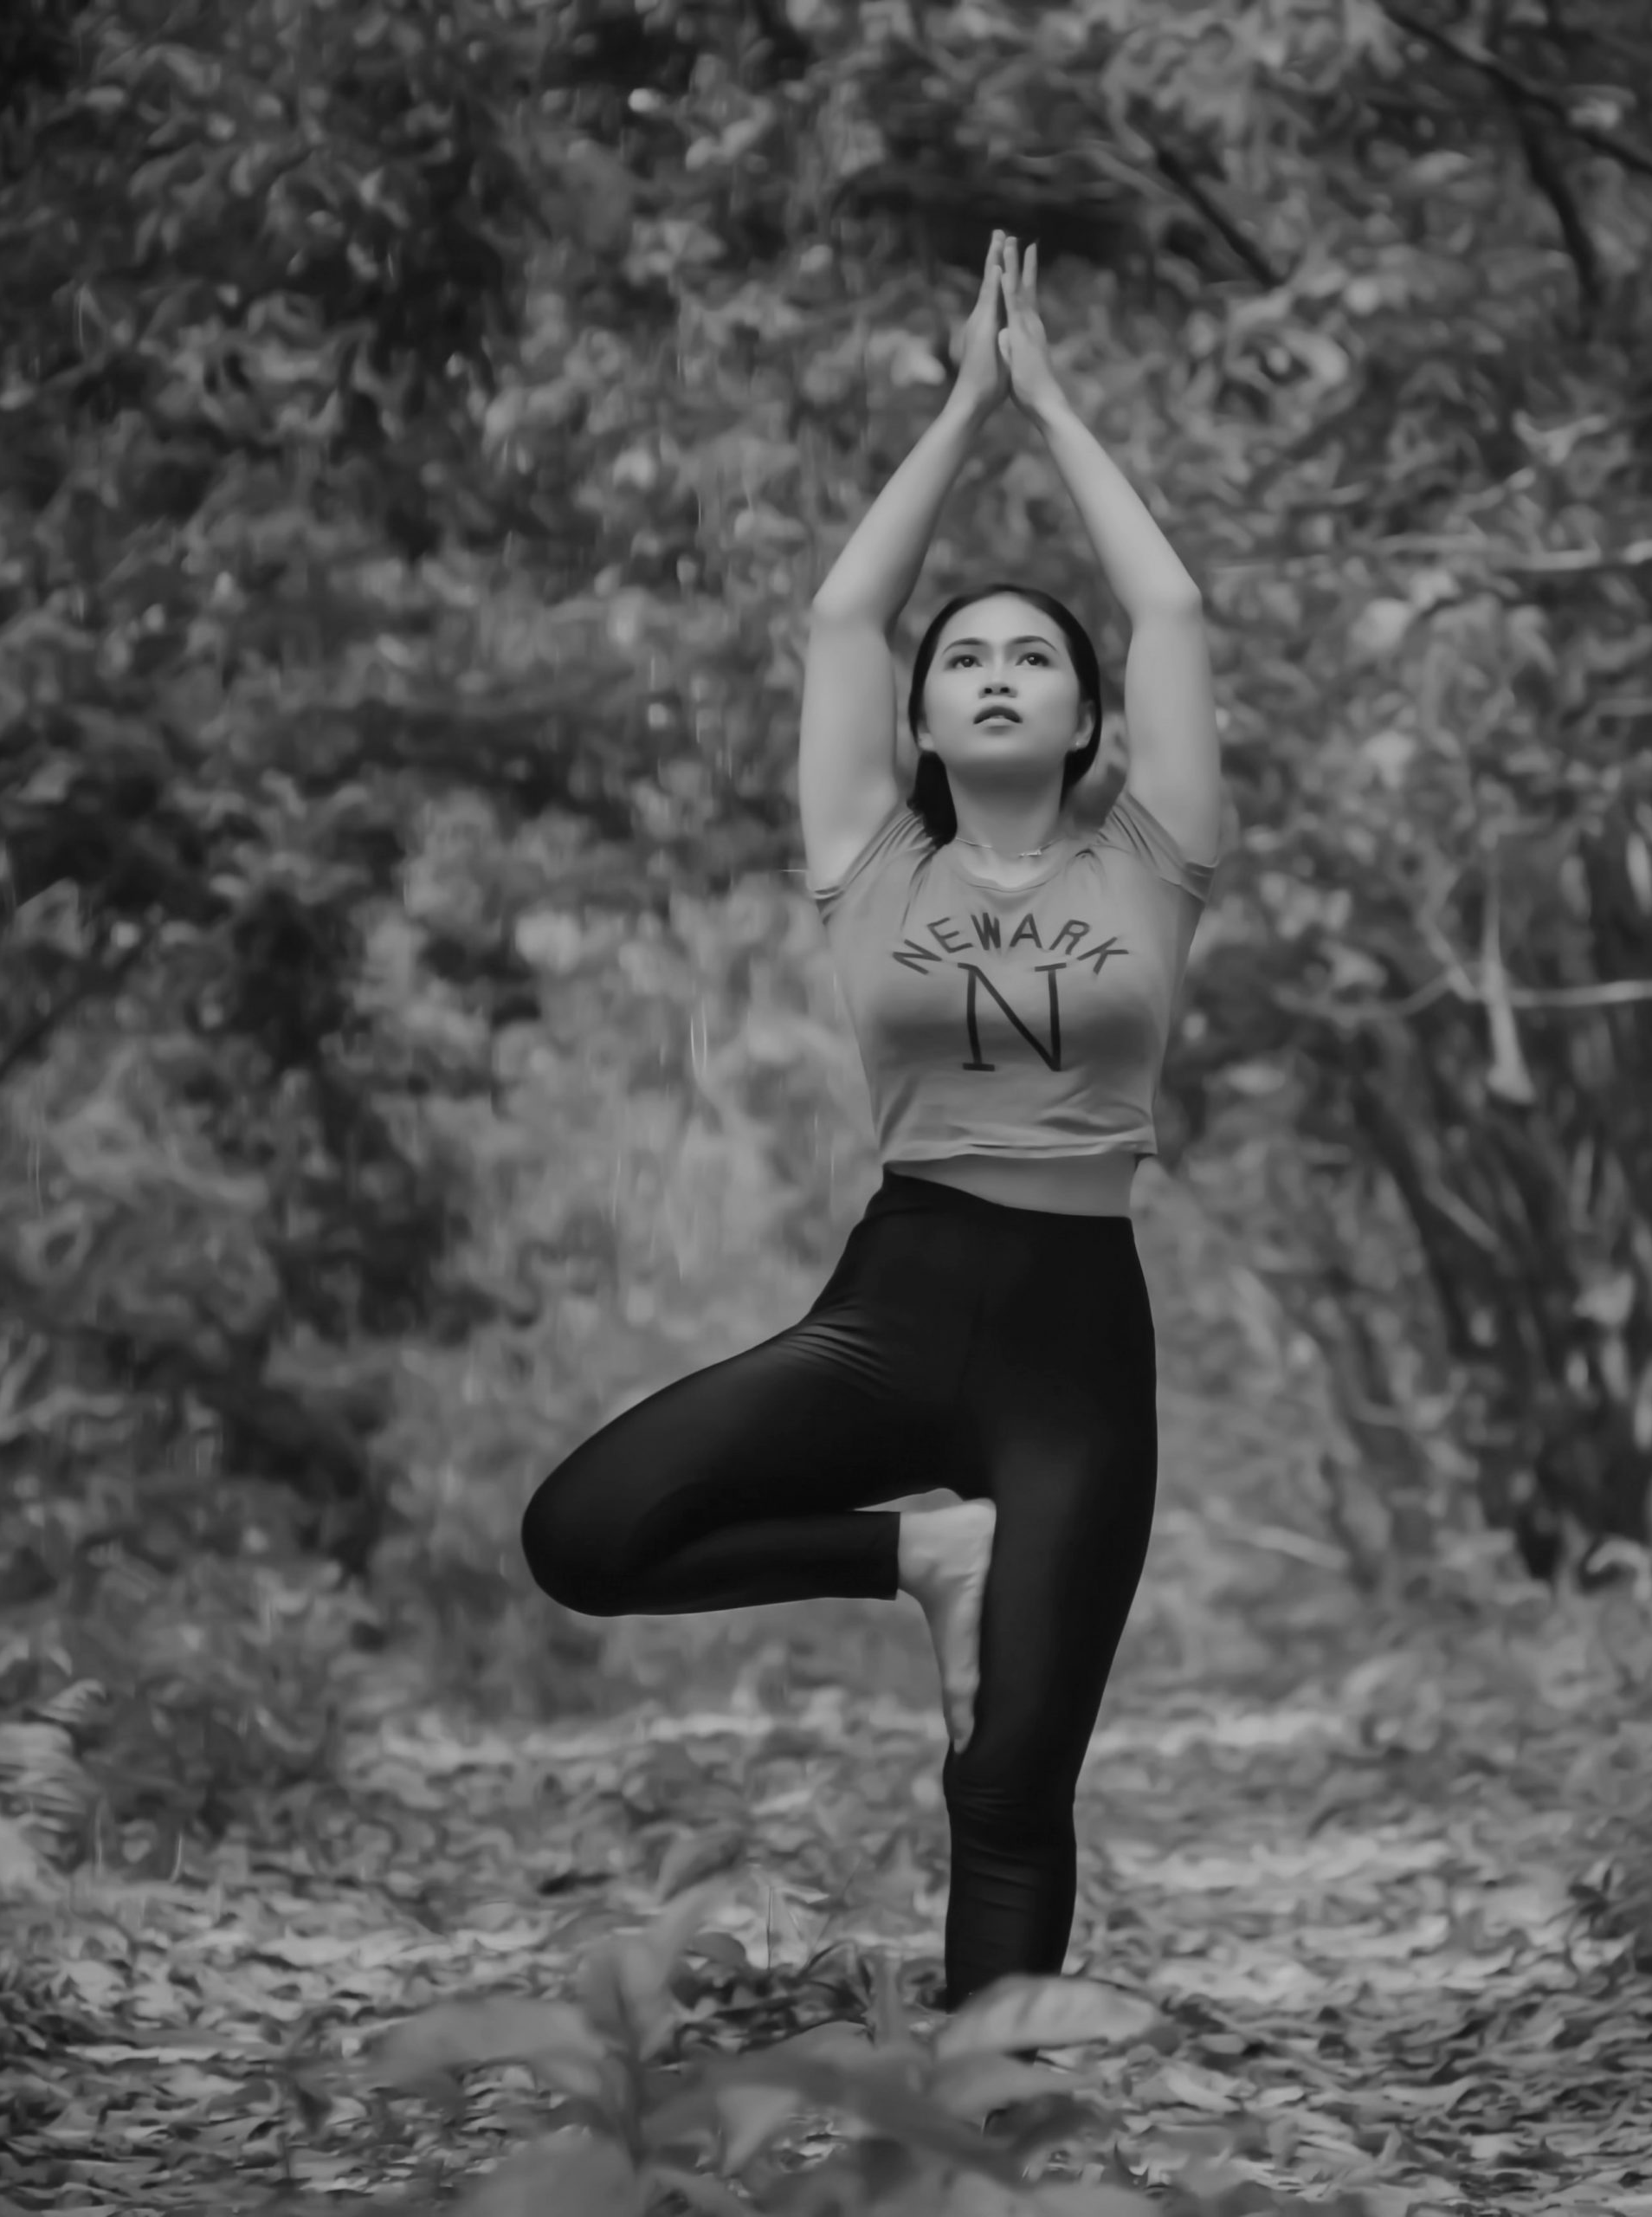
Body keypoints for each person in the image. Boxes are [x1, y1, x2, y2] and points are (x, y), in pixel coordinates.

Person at [520, 230, 1222, 2010]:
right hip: (897, 1304)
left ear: (1080, 723)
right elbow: (840, 613)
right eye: (963, 656)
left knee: (1007, 1785)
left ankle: (984, 2140)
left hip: (1077, 1340)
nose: (995, 668)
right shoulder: (868, 865)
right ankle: (925, 1551)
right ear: (919, 716)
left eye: (1032, 660)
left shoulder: (1151, 860)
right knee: (587, 1535)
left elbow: (1175, 616)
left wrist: (1055, 412)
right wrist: (962, 404)